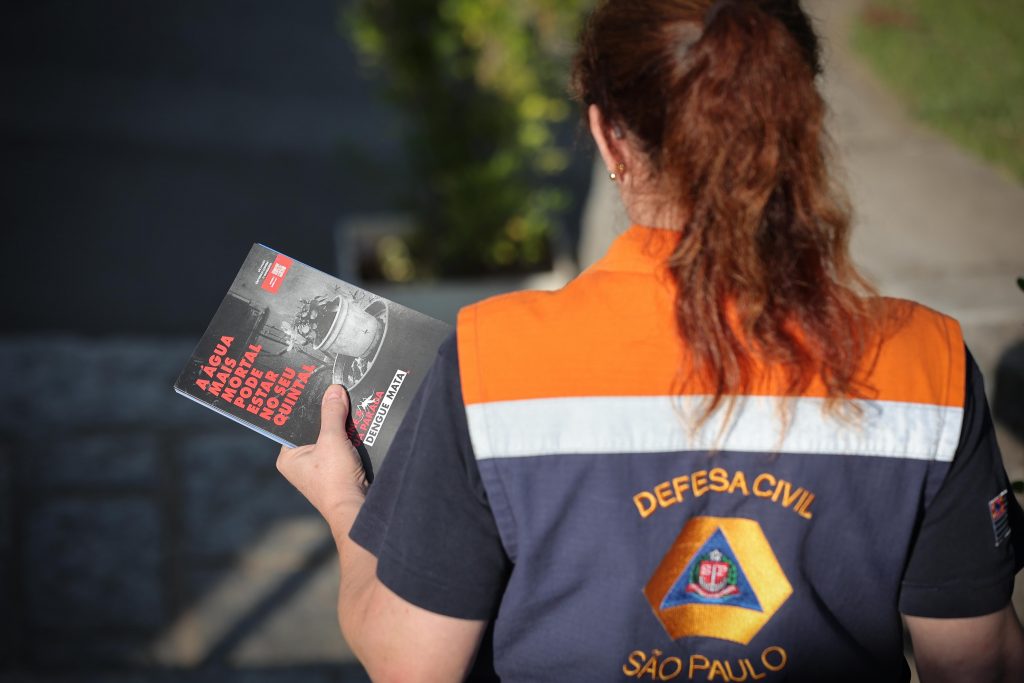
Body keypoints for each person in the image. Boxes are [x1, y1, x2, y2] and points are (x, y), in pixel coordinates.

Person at [277, 0, 1024, 680]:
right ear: (803, 121)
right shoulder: (926, 361)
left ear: (608, 135)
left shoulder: (490, 362)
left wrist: (344, 500)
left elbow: (410, 664)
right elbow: (978, 663)